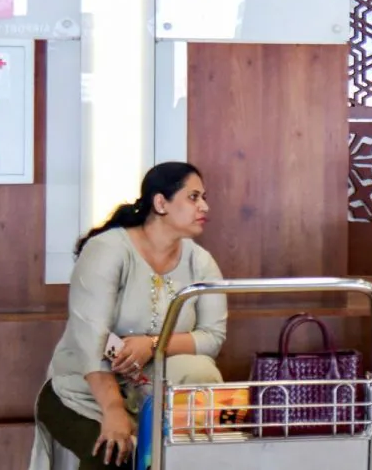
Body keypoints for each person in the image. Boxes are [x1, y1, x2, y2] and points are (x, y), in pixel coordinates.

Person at [29, 162, 228, 470]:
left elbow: (212, 338)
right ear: (160, 203)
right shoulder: (108, 250)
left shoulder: (201, 262)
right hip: (82, 394)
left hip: (156, 397)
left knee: (193, 450)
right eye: (193, 197)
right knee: (113, 453)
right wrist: (113, 410)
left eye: (204, 197)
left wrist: (152, 344)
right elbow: (90, 344)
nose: (205, 206)